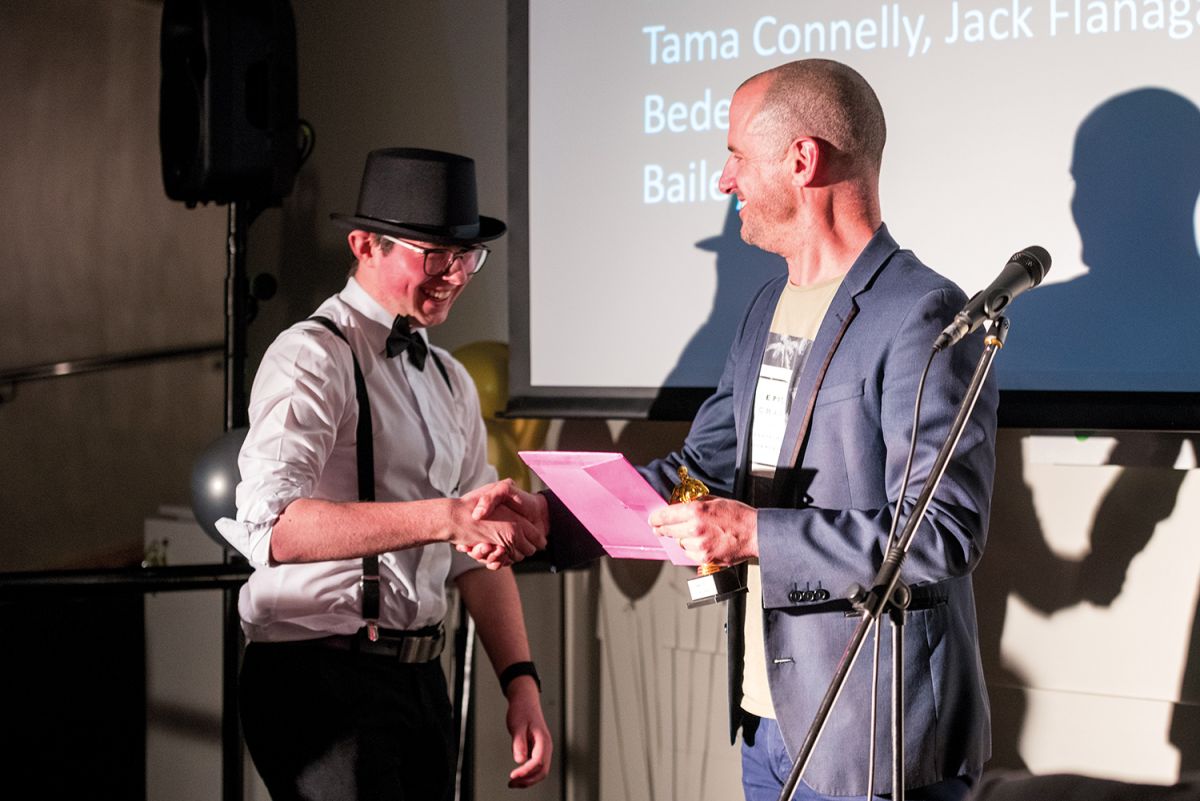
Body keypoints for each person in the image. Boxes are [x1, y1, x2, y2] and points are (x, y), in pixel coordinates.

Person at [476, 59, 998, 800]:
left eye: (736, 157)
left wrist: (755, 534)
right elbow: (703, 468)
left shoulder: (922, 313)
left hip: (869, 739)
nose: (725, 181)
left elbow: (942, 530)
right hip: (767, 724)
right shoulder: (764, 308)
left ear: (802, 159)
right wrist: (554, 516)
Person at [216, 147, 552, 800]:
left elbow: (474, 551)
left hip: (421, 679)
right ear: (365, 243)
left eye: (467, 256)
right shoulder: (312, 355)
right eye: (434, 254)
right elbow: (271, 526)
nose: (454, 274)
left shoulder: (449, 377)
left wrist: (522, 681)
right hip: (320, 679)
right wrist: (443, 517)